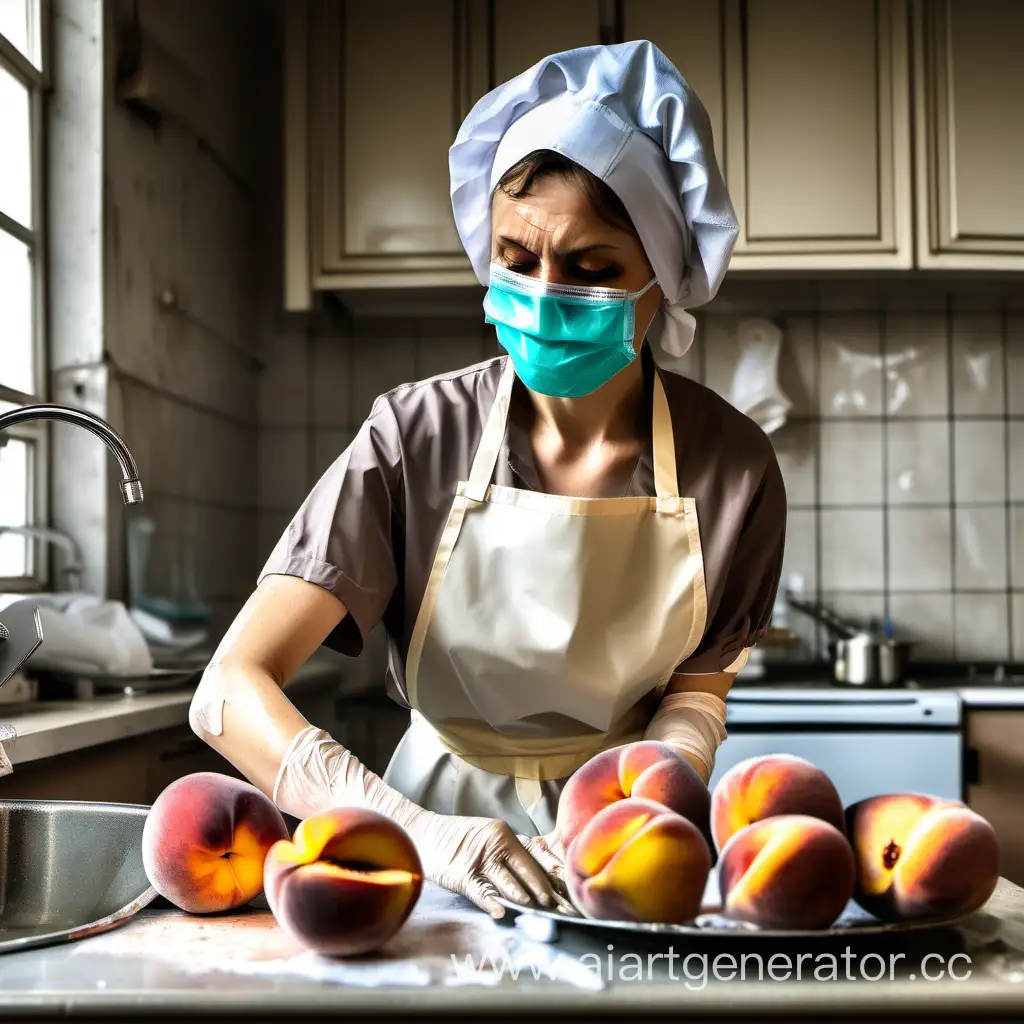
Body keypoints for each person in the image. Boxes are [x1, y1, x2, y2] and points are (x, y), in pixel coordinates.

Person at [189, 40, 786, 919]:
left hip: (626, 846)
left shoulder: (732, 466)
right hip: (418, 849)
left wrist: (639, 808)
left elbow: (696, 698)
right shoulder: (413, 437)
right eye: (516, 257)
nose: (544, 295)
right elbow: (229, 690)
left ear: (661, 279)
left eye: (590, 270)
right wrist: (421, 834)